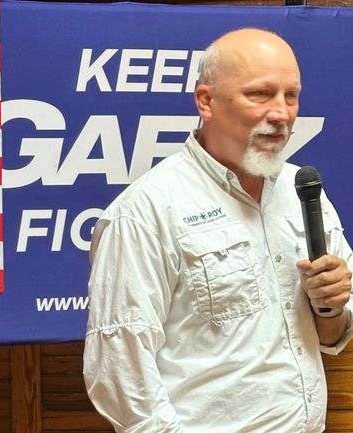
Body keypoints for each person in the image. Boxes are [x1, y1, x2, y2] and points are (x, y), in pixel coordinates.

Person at [83, 28, 353, 433]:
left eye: (291, 95)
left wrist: (329, 306)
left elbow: (331, 337)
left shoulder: (304, 192)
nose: (281, 113)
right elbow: (119, 372)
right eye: (260, 94)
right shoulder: (147, 210)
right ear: (206, 101)